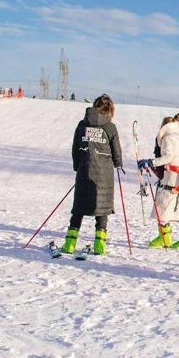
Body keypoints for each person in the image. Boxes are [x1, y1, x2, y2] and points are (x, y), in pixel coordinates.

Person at [61, 94, 123, 255]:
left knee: (79, 207)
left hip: (85, 170)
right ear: (110, 109)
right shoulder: (110, 127)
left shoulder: (82, 124)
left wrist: (78, 166)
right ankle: (99, 245)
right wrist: (118, 163)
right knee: (102, 207)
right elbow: (116, 150)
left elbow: (75, 148)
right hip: (104, 174)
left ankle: (69, 243)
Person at [138, 113, 179, 249]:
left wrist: (150, 163)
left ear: (164, 126)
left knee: (163, 205)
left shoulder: (168, 138)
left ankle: (164, 238)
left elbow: (168, 157)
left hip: (171, 178)